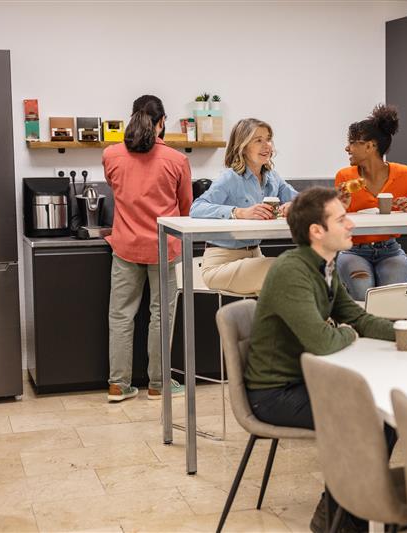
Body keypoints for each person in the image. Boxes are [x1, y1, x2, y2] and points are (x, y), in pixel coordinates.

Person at [245, 187, 407, 533]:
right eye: (341, 219)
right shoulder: (292, 271)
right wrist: (347, 334)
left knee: (383, 410)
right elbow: (323, 341)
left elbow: (355, 317)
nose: (352, 223)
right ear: (317, 231)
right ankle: (349, 520)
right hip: (274, 394)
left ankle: (341, 514)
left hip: (303, 381)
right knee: (368, 419)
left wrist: (400, 331)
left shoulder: (324, 267)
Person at [103, 95, 191, 402]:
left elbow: (116, 191)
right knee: (161, 316)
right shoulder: (177, 160)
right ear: (162, 122)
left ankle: (118, 384)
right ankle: (159, 383)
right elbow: (185, 207)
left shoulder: (111, 155)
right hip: (163, 247)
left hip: (125, 245)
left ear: (132, 117)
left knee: (120, 316)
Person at [336, 104, 407, 301]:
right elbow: (335, 219)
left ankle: (394, 332)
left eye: (352, 143)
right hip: (353, 250)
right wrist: (339, 206)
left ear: (369, 146)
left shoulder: (404, 174)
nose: (347, 148)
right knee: (362, 289)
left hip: (390, 251)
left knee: (395, 299)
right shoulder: (344, 177)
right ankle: (365, 332)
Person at [190, 118, 297, 295]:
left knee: (295, 276)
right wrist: (238, 212)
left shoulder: (272, 177)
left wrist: (294, 206)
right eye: (258, 140)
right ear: (243, 146)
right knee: (287, 272)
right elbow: (197, 207)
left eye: (268, 139)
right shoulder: (230, 178)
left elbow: (301, 200)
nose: (267, 145)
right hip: (221, 264)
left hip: (255, 256)